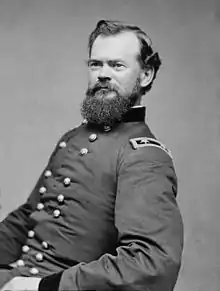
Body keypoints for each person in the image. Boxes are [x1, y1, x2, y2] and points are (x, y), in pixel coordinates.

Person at [0, 20, 184, 291]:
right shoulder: (73, 137)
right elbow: (30, 216)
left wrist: (42, 287)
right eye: (95, 64)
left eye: (116, 65)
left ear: (146, 75)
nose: (102, 74)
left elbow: (152, 263)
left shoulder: (143, 156)